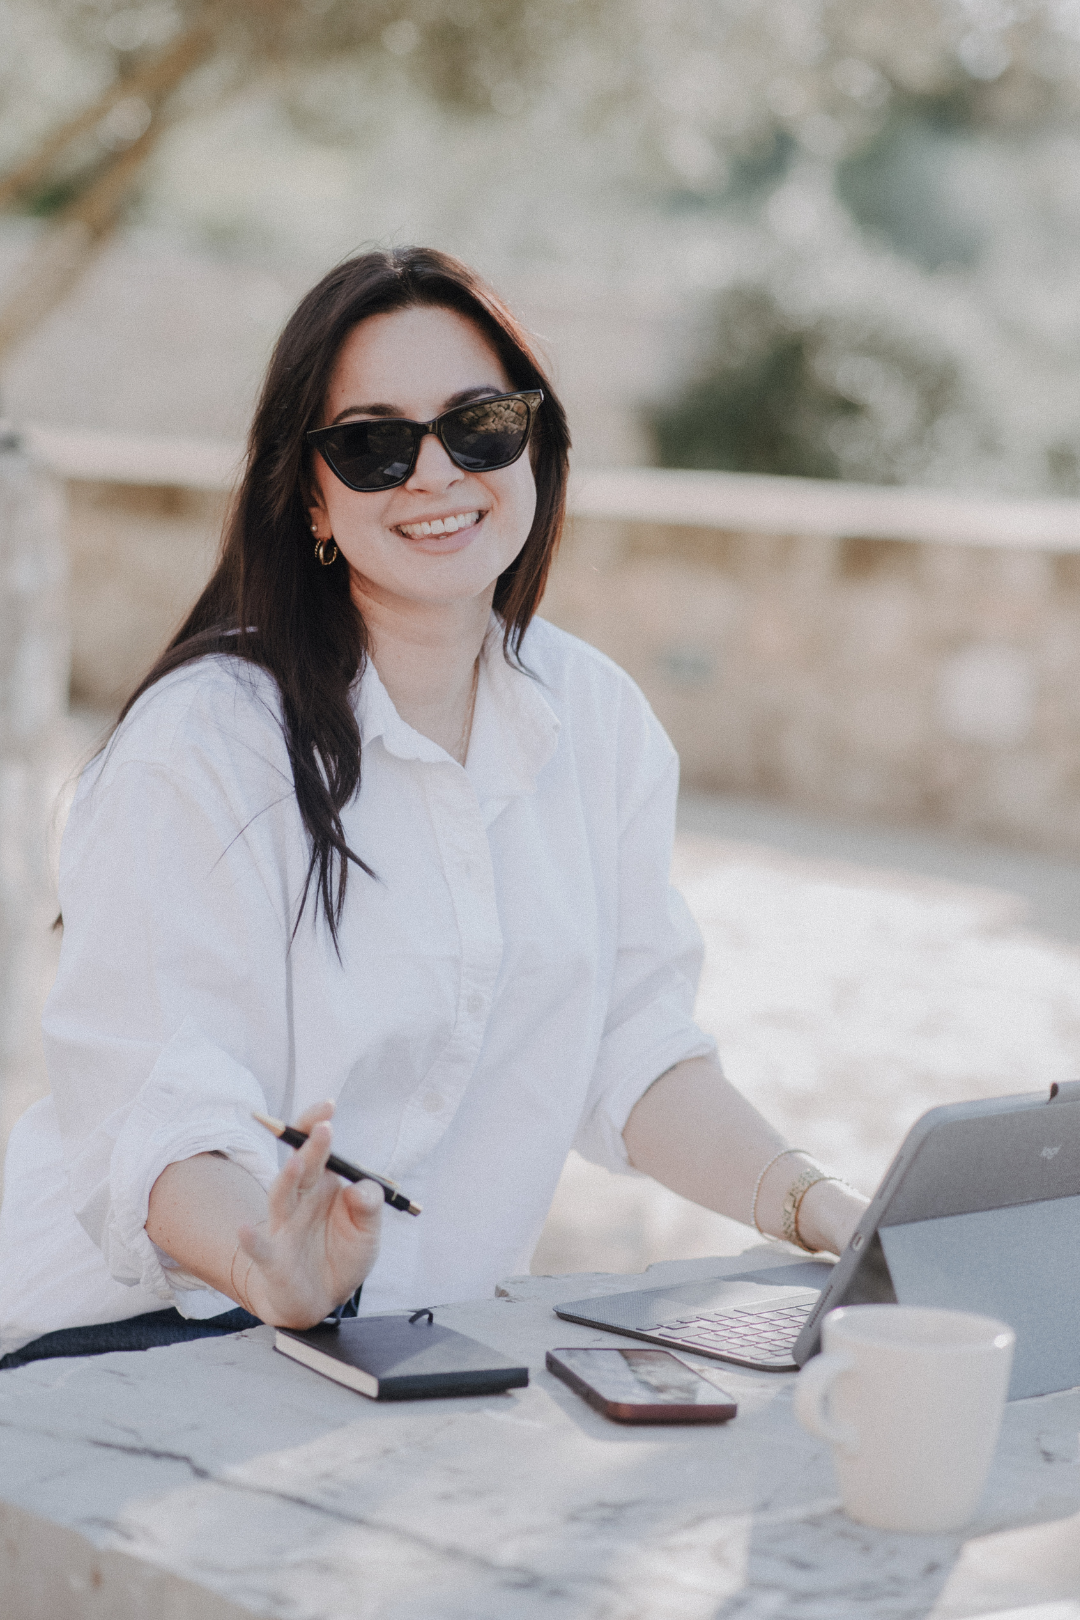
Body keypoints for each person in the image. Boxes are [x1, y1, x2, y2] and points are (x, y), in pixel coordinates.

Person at [0, 248, 867, 1366]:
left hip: (403, 1352)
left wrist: (824, 1209)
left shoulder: (597, 720)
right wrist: (268, 1266)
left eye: (479, 425)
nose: (436, 474)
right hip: (135, 1339)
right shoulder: (204, 742)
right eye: (373, 445)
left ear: (536, 442)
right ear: (309, 495)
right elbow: (160, 1099)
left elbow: (634, 1050)